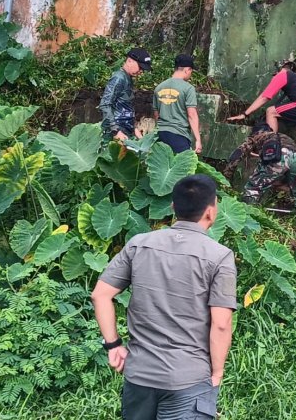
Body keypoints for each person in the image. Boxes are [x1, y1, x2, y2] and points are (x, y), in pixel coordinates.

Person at [91, 175, 236, 420]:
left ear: (172, 208)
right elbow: (221, 324)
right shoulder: (219, 256)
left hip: (139, 375)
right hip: (188, 378)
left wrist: (113, 345)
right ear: (211, 212)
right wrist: (218, 372)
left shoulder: (139, 244)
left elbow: (100, 295)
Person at [227, 60, 296, 180]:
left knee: (271, 111)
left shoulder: (283, 75)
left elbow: (265, 96)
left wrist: (245, 113)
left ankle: (269, 146)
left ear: (279, 69)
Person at [223, 126, 296, 215]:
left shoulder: (257, 136)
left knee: (253, 189)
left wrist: (226, 178)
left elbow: (237, 155)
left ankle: (246, 215)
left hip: (279, 157)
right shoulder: (281, 136)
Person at [153, 54, 202, 153]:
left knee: (163, 166)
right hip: (179, 135)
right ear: (187, 70)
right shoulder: (188, 88)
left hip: (160, 135)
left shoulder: (159, 87)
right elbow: (191, 114)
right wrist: (198, 139)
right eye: (191, 71)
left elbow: (156, 114)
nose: (190, 74)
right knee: (183, 166)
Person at [99, 48, 151, 141]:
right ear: (130, 61)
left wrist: (135, 128)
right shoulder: (119, 78)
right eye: (140, 67)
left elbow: (127, 106)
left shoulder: (128, 78)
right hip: (115, 132)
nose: (141, 71)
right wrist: (116, 131)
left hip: (126, 130)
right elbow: (105, 104)